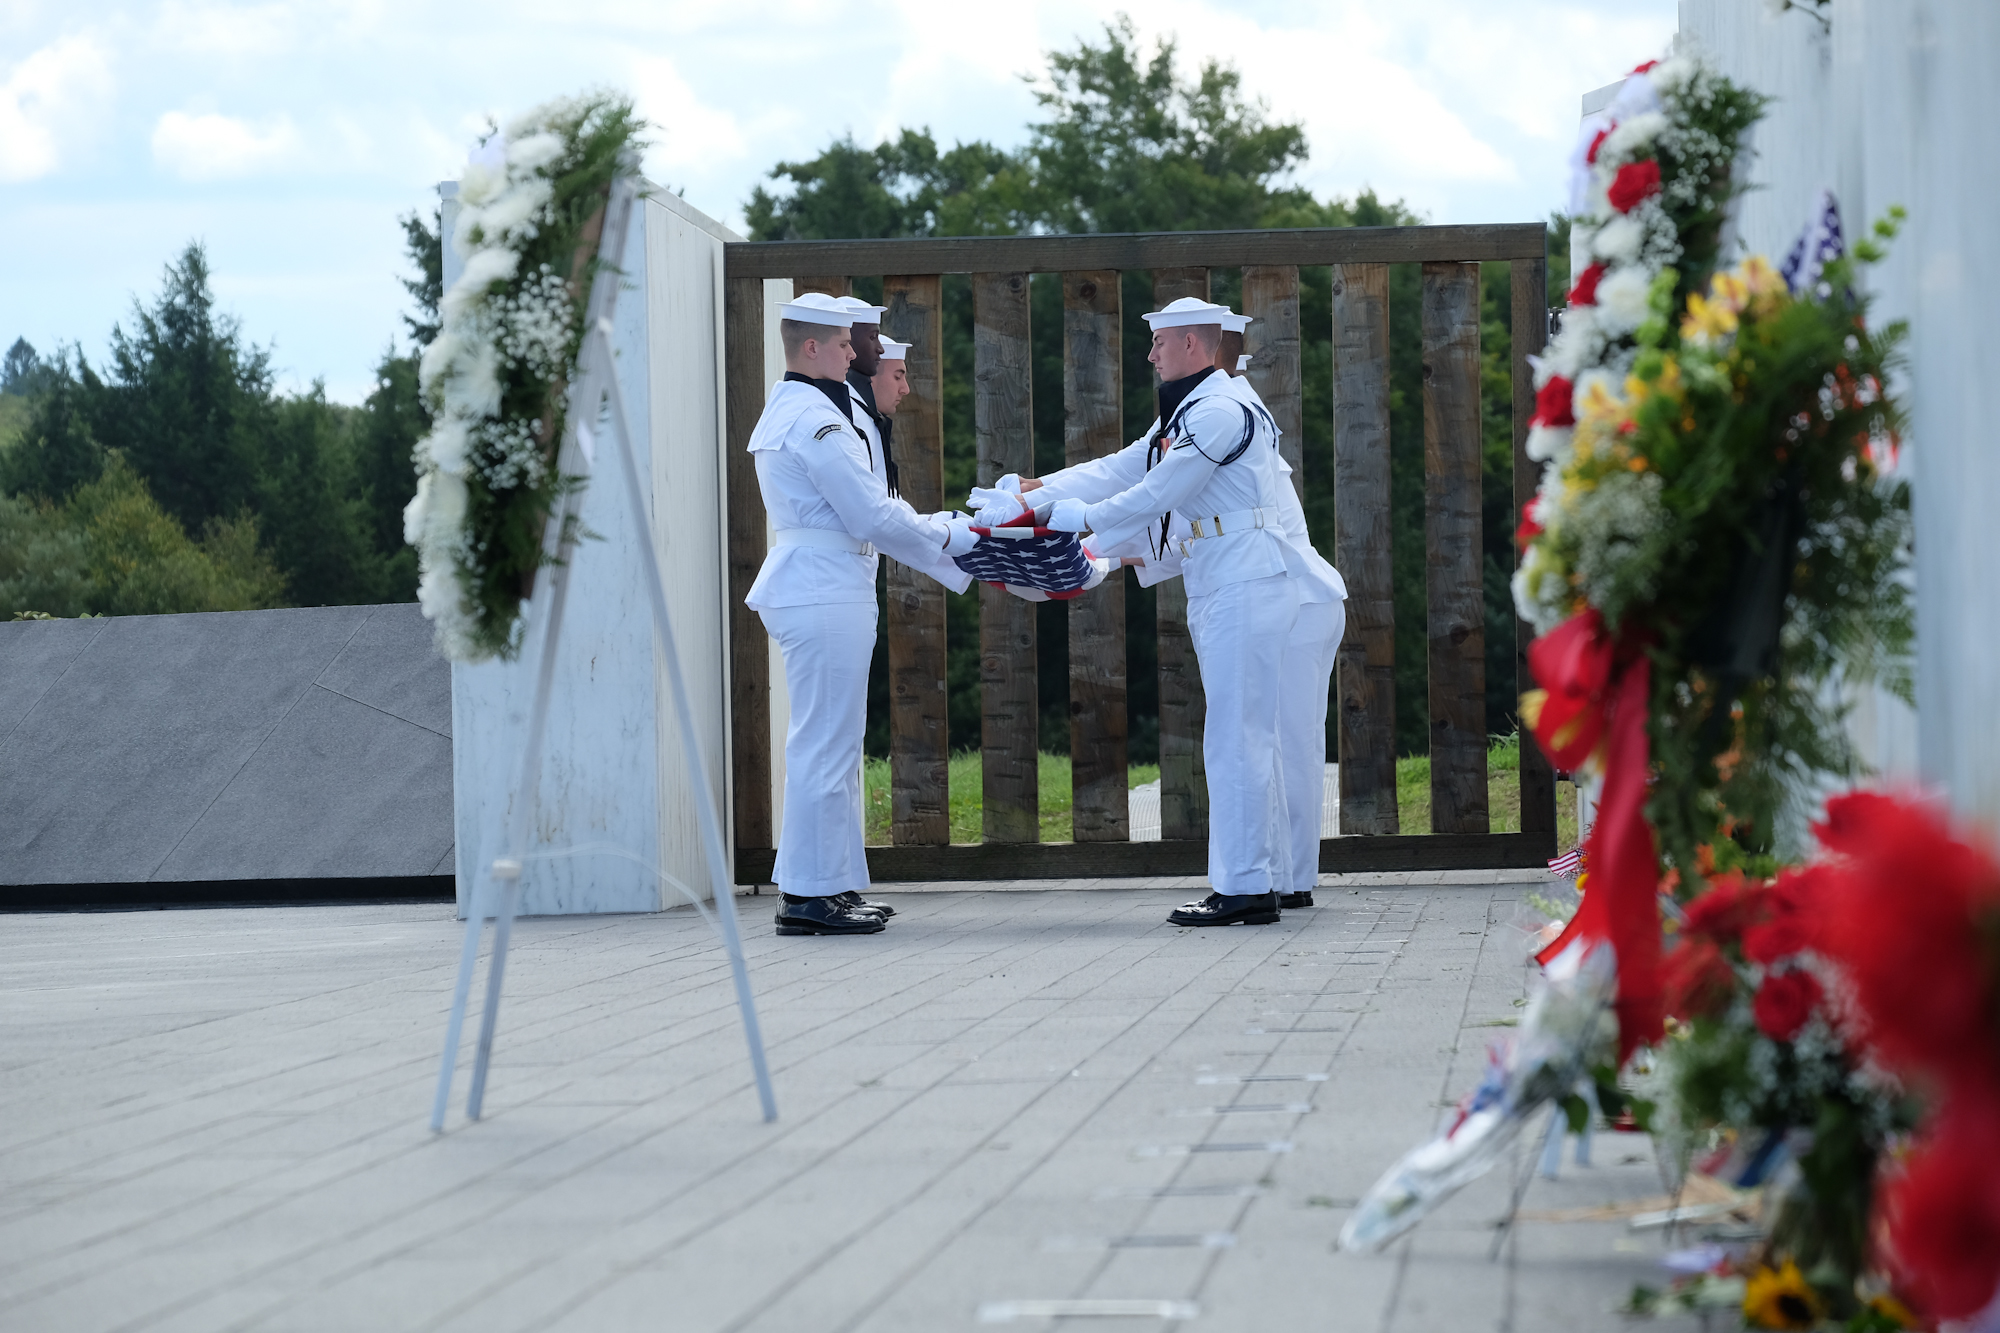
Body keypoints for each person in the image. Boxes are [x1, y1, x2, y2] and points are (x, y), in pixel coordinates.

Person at [988, 296, 1305, 927]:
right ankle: (1259, 878)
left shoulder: (1218, 409)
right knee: (1244, 735)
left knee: (1235, 738)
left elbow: (1159, 492)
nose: (1152, 353)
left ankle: (1244, 887)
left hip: (1242, 576)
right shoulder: (1197, 407)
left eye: (1161, 341)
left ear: (1193, 345)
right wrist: (1042, 491)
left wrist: (1067, 520)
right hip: (1226, 575)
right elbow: (1122, 468)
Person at [744, 292, 981, 936]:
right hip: (822, 583)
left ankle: (831, 885)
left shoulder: (811, 406)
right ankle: (808, 896)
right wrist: (961, 541)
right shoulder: (812, 420)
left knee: (837, 744)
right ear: (812, 347)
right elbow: (872, 514)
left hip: (833, 580)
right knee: (825, 743)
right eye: (845, 345)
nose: (856, 354)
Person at [1211, 311, 1347, 910]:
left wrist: (1076, 539)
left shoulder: (1223, 416)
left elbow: (1164, 513)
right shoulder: (1241, 412)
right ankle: (1287, 880)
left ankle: (1273, 881)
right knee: (1286, 744)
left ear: (1209, 355)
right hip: (1304, 598)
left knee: (1271, 742)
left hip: (1295, 598)